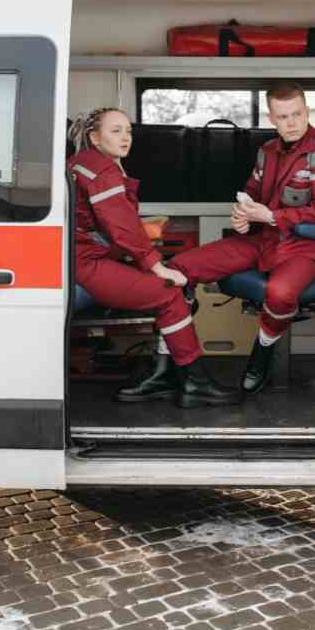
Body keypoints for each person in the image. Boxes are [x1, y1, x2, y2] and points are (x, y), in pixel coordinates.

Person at [168, 84, 315, 395]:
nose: (292, 122)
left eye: (297, 114)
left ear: (307, 112)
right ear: (273, 119)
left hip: (307, 247)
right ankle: (174, 365)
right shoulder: (266, 152)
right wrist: (242, 214)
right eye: (283, 117)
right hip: (264, 239)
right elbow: (251, 194)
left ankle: (263, 350)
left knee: (280, 293)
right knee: (177, 268)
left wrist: (270, 216)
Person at [67, 107, 240, 408]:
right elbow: (121, 227)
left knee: (176, 290)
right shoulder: (103, 170)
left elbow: (106, 225)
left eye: (128, 131)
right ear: (94, 137)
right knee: (171, 295)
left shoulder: (82, 163)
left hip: (84, 259)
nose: (125, 138)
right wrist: (156, 266)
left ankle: (163, 376)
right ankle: (195, 383)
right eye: (115, 131)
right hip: (88, 266)